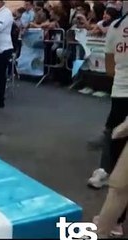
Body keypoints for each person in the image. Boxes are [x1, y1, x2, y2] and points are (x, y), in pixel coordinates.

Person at [93, 5, 128, 237]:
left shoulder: (116, 27)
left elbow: (109, 69)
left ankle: (107, 225)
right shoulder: (116, 26)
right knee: (119, 182)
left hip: (121, 93)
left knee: (119, 179)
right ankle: (104, 226)